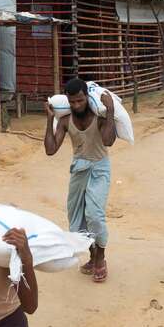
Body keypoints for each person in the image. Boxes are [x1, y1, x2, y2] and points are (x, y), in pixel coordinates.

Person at [44, 78, 115, 282]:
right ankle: (92, 256)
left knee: (94, 214)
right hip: (78, 170)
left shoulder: (99, 116)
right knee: (76, 221)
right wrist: (50, 120)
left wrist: (109, 111)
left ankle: (101, 257)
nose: (77, 105)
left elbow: (109, 141)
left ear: (86, 97)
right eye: (72, 101)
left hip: (99, 168)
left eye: (80, 101)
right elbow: (50, 149)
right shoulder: (65, 121)